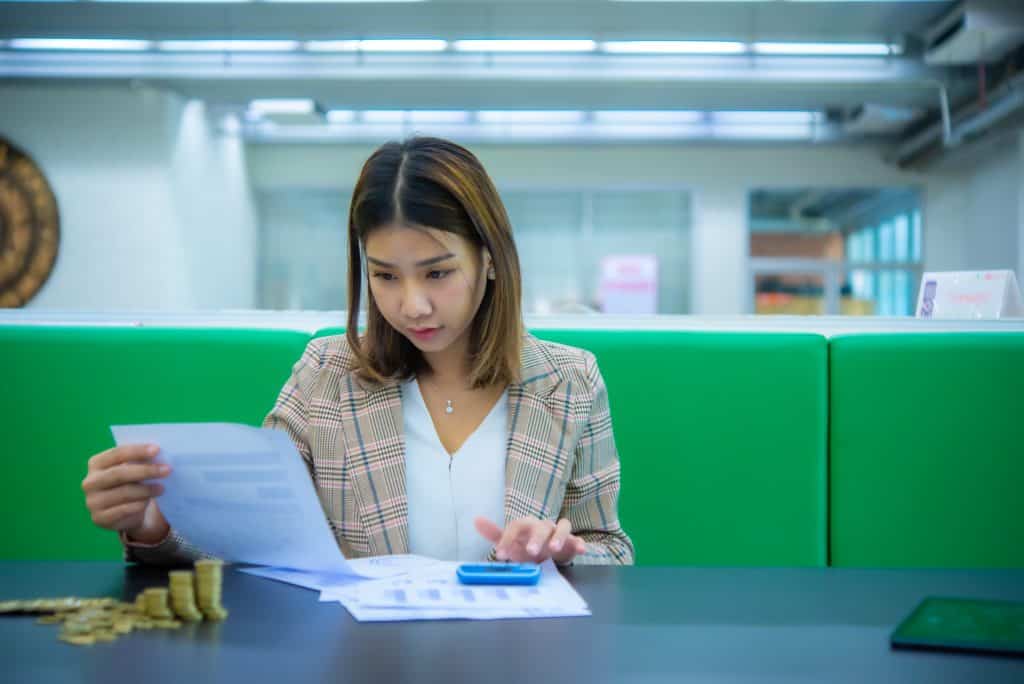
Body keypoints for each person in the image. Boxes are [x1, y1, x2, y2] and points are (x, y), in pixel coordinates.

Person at [81, 136, 634, 566]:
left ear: (490, 259)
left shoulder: (569, 381)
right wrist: (151, 521)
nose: (412, 304)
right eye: (385, 276)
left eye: (437, 272)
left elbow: (609, 546)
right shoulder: (324, 376)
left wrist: (564, 556)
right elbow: (254, 543)